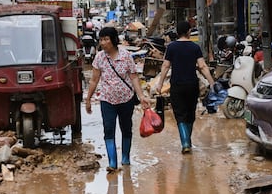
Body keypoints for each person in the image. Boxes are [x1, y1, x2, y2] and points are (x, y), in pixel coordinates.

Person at [85, 26, 150, 172]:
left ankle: (125, 157)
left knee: (126, 128)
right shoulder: (99, 57)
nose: (103, 42)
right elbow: (94, 80)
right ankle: (112, 162)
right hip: (107, 100)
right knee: (109, 129)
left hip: (126, 99)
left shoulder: (126, 56)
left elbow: (134, 77)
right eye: (101, 39)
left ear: (113, 40)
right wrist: (88, 99)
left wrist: (141, 96)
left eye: (106, 39)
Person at [152, 20, 215, 153]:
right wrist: (212, 82)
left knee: (180, 115)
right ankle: (187, 140)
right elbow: (202, 66)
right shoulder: (195, 47)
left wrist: (160, 83)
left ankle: (185, 142)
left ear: (177, 33)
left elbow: (165, 66)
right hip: (192, 85)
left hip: (177, 85)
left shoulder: (172, 47)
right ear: (188, 32)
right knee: (190, 114)